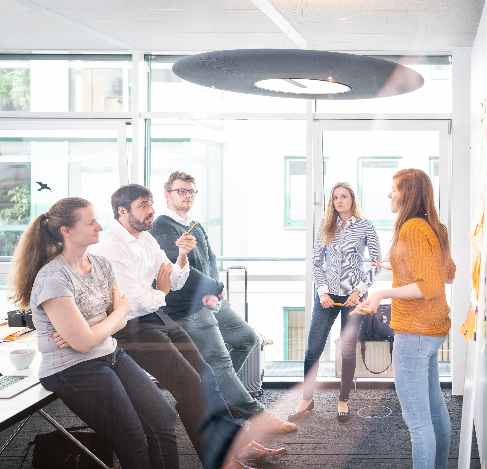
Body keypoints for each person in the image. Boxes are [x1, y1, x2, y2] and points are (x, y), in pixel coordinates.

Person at [8, 197, 179, 469]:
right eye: (91, 222)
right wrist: (108, 319)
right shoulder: (54, 278)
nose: (100, 226)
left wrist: (94, 328)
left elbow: (122, 314)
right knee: (132, 437)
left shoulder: (101, 264)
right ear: (67, 231)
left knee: (163, 420)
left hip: (109, 354)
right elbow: (87, 340)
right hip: (71, 368)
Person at [91, 184, 250, 469]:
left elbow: (173, 279)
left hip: (155, 316)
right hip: (128, 326)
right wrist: (162, 291)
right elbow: (133, 301)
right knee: (191, 386)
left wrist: (182, 257)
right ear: (122, 211)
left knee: (207, 378)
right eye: (143, 205)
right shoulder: (110, 246)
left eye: (151, 203)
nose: (151, 210)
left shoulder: (147, 240)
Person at [150, 171, 296, 435]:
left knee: (247, 338)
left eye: (191, 191)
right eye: (180, 191)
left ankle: (217, 394)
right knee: (218, 360)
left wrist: (218, 291)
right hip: (189, 307)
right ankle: (254, 414)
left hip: (212, 300)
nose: (186, 196)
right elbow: (178, 270)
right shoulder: (162, 226)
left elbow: (210, 259)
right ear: (167, 194)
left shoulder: (194, 224)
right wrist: (215, 287)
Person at [356, 169, 456, 469]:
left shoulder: (412, 229)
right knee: (434, 407)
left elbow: (430, 286)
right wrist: (394, 263)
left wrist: (380, 293)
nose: (389, 195)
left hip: (415, 332)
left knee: (417, 422)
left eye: (394, 190)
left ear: (408, 194)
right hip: (433, 328)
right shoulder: (433, 226)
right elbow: (447, 273)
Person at [289, 182, 381, 422]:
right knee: (313, 348)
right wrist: (322, 292)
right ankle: (306, 399)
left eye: (344, 196)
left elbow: (375, 262)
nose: (339, 201)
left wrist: (360, 290)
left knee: (347, 349)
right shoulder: (325, 226)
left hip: (353, 297)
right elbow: (316, 262)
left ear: (352, 199)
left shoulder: (365, 226)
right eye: (335, 197)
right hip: (326, 297)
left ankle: (344, 398)